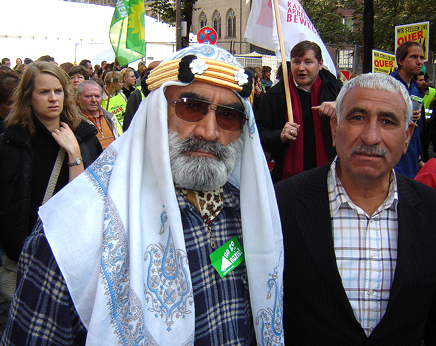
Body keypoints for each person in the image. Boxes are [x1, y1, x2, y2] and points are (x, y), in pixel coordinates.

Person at [2, 44, 284, 346]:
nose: (210, 131)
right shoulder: (72, 231)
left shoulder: (248, 212)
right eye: (191, 107)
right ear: (156, 114)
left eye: (229, 115)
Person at [277, 73, 436, 345]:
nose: (371, 136)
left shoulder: (433, 212)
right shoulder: (282, 203)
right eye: (357, 118)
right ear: (334, 127)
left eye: (388, 122)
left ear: (407, 136)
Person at [0, 62, 102, 301]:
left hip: (73, 254)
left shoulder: (85, 139)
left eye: (58, 91)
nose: (53, 98)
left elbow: (91, 199)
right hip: (28, 254)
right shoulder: (10, 143)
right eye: (44, 92)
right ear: (28, 97)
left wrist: (74, 154)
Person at [257, 40, 342, 183]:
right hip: (289, 179)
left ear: (320, 64)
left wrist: (340, 108)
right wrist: (280, 135)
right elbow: (259, 136)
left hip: (330, 176)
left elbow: (357, 121)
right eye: (296, 62)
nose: (301, 68)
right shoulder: (274, 96)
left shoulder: (337, 91)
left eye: (308, 62)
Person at [390, 41, 426, 178]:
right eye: (414, 57)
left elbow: (417, 129)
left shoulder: (416, 89)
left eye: (421, 58)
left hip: (411, 158)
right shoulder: (389, 85)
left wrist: (418, 157)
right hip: (395, 158)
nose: (419, 62)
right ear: (400, 60)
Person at [77, 80, 122, 149]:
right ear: (78, 98)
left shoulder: (111, 117)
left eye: (97, 96)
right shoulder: (74, 122)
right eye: (88, 96)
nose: (94, 100)